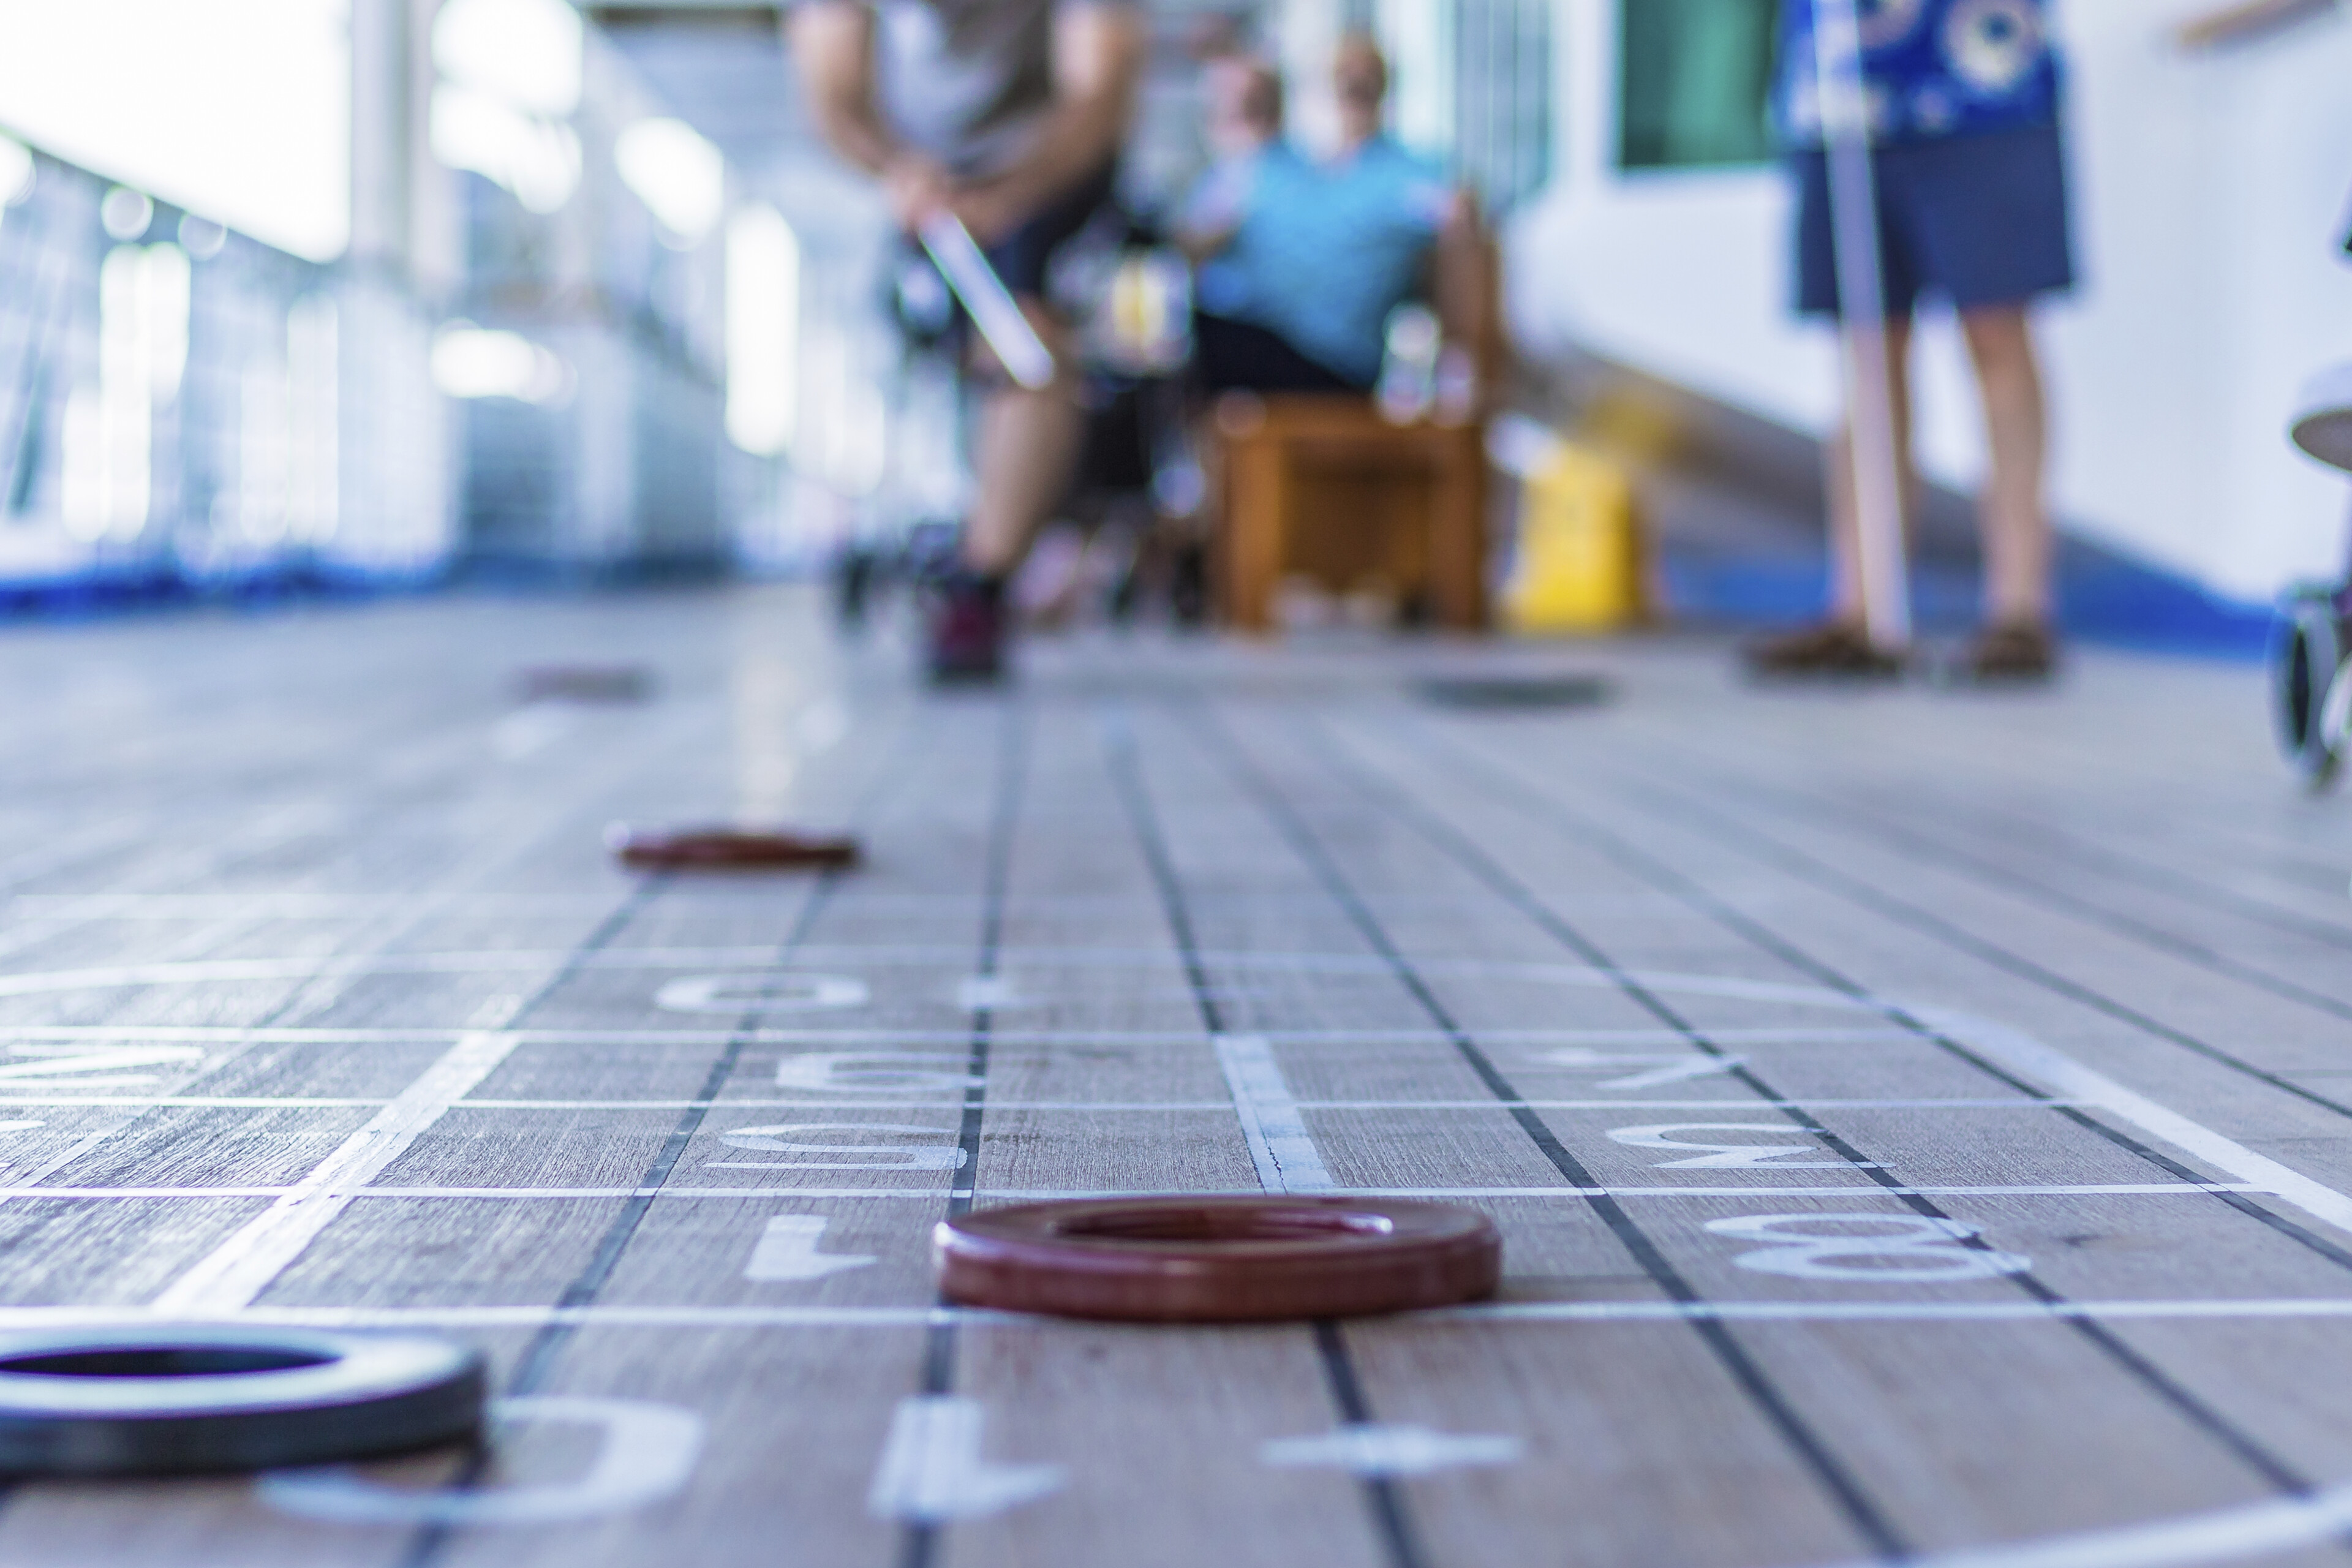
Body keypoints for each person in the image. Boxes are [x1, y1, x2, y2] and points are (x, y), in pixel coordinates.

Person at [788, 0, 1147, 680]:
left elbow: (1099, 93)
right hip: (923, 176)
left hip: (1053, 158)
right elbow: (834, 94)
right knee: (968, 344)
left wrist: (1008, 199)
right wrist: (899, 170)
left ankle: (982, 587)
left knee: (1027, 342)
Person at [1746, 0, 2076, 680]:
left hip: (1980, 76)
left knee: (1995, 334)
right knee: (1866, 349)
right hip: (1842, 85)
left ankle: (2019, 608)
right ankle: (1864, 604)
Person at [1182, 36, 1474, 399]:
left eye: (1364, 80)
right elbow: (1192, 240)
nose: (1350, 88)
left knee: (1186, 337)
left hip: (1333, 363)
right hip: (1254, 335)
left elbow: (1458, 216)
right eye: (1339, 77)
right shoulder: (1276, 167)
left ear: (1385, 88)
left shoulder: (1406, 173)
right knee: (1165, 333)